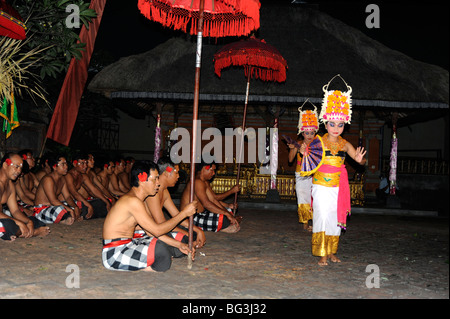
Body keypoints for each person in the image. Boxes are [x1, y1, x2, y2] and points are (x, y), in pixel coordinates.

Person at [307, 81, 366, 266]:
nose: (336, 127)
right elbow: (308, 161)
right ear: (325, 123)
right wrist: (303, 151)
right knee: (322, 217)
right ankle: (322, 253)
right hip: (320, 186)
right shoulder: (317, 142)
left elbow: (361, 161)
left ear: (344, 125)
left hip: (338, 187)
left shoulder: (345, 144)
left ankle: (332, 251)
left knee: (335, 218)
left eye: (340, 124)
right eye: (332, 123)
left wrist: (359, 160)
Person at [102, 161, 198, 272]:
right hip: (114, 254)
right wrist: (184, 213)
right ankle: (147, 265)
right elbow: (157, 230)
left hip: (130, 244)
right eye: (154, 179)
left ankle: (152, 258)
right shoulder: (132, 201)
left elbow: (151, 232)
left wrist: (179, 245)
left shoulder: (139, 200)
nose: (158, 183)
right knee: (161, 251)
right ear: (142, 179)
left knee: (172, 244)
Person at [144, 157, 206, 249]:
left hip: (161, 228)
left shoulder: (164, 191)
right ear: (167, 173)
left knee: (193, 234)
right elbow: (161, 224)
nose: (178, 176)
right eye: (176, 173)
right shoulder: (153, 192)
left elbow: (177, 216)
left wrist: (198, 230)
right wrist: (187, 234)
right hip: (150, 230)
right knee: (185, 238)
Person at [0, 153, 50, 241]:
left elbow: (15, 211)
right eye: (16, 166)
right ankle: (33, 233)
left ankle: (19, 232)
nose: (19, 171)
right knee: (8, 224)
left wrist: (28, 222)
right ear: (5, 165)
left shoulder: (10, 185)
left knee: (34, 221)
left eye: (20, 168)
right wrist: (18, 222)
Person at [180, 161, 240, 233]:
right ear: (205, 168)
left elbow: (213, 200)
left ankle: (224, 224)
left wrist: (228, 212)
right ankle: (224, 225)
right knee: (224, 218)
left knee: (228, 211)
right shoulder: (197, 182)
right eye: (212, 170)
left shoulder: (204, 181)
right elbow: (206, 204)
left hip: (202, 213)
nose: (213, 173)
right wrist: (227, 214)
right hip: (191, 218)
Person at [288, 103, 319, 232]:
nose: (310, 135)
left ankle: (317, 223)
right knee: (303, 198)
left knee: (317, 199)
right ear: (302, 133)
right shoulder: (298, 144)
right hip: (301, 175)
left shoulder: (319, 144)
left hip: (316, 175)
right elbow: (290, 160)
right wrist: (295, 148)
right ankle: (306, 223)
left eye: (312, 132)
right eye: (307, 132)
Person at [33, 154, 78, 224]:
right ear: (54, 167)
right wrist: (70, 209)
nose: (66, 167)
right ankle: (65, 219)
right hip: (42, 210)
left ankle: (67, 217)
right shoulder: (48, 179)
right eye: (63, 164)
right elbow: (53, 201)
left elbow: (67, 197)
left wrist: (75, 207)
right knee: (60, 209)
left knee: (77, 203)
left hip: (53, 206)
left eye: (66, 164)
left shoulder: (62, 179)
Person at [64, 152, 110, 219]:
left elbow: (94, 189)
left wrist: (106, 201)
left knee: (101, 203)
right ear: (74, 163)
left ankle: (84, 215)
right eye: (82, 163)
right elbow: (74, 193)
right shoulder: (68, 175)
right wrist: (89, 205)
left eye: (86, 163)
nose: (85, 166)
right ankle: (81, 215)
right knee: (86, 207)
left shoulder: (83, 176)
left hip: (78, 202)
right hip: (68, 202)